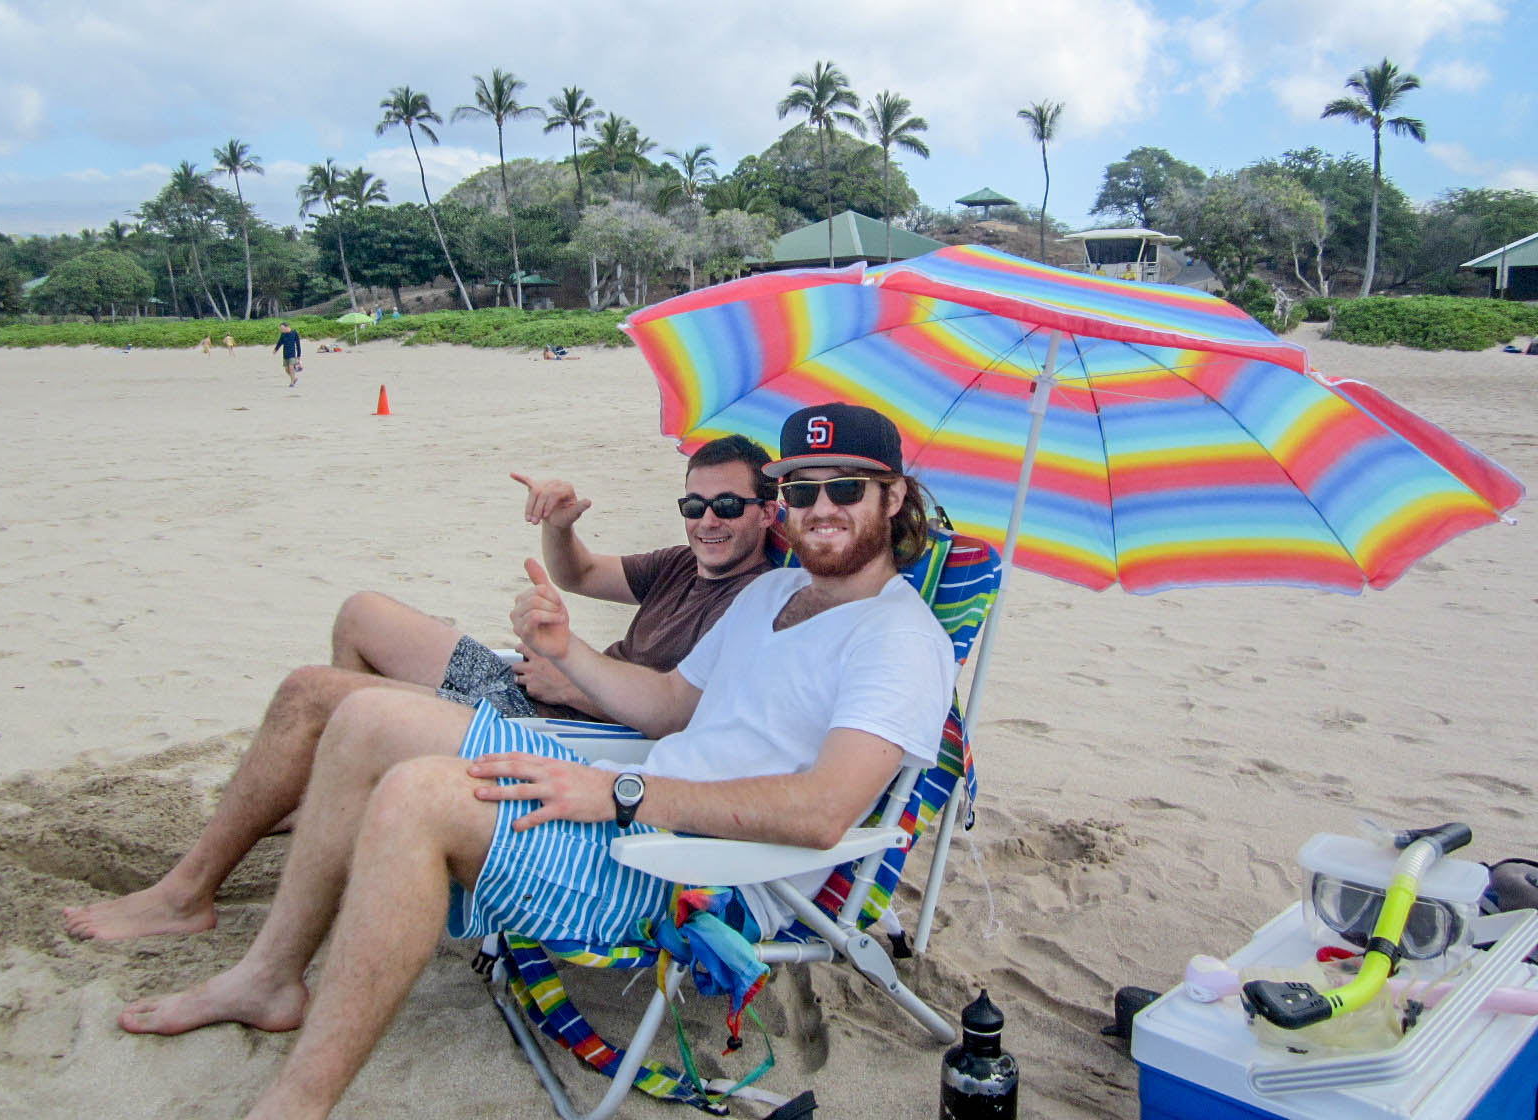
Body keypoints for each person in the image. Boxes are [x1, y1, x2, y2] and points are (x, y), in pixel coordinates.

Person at [114, 404, 955, 1120]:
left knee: (416, 797)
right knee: (365, 715)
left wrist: (619, 790)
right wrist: (570, 653)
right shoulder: (774, 593)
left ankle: (295, 1104)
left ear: (895, 498)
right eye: (800, 490)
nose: (820, 508)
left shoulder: (898, 642)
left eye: (846, 488)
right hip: (640, 806)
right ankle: (268, 976)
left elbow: (819, 813)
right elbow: (670, 707)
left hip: (703, 872)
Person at [63, 435, 779, 941]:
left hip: (578, 732)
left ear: (769, 510)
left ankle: (188, 893)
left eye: (727, 507)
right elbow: (579, 575)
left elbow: (696, 719)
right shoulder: (685, 563)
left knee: (315, 693)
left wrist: (580, 683)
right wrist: (560, 528)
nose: (706, 522)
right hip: (542, 687)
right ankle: (325, 802)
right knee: (362, 614)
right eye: (693, 506)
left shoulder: (765, 599)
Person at [274, 321, 301, 386]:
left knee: (291, 367)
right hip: (285, 354)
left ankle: (292, 382)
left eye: (282, 329)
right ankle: (294, 378)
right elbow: (280, 342)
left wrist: (299, 355)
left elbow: (298, 344)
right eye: (281, 329)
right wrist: (276, 349)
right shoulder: (283, 334)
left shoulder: (294, 333)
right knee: (286, 369)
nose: (282, 330)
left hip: (292, 353)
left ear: (287, 327)